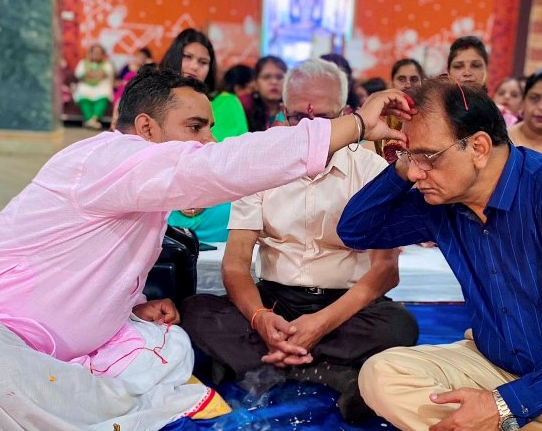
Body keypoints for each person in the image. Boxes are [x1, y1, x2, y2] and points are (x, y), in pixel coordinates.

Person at [0, 67, 413, 429]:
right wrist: (356, 125)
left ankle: (64, 405)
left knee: (172, 341)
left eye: (209, 129)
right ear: (146, 128)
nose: (208, 141)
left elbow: (85, 267)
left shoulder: (142, 188)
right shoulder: (102, 159)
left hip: (77, 349)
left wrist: (131, 305)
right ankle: (106, 407)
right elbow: (220, 174)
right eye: (196, 127)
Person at [335, 76, 542, 431]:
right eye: (408, 156)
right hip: (490, 363)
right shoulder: (440, 201)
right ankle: (495, 419)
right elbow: (356, 230)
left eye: (427, 156)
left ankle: (488, 419)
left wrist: (506, 403)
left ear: (478, 147)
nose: (415, 172)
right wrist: (402, 163)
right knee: (380, 374)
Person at [180, 58, 418, 423]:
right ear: (282, 113)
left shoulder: (372, 171)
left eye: (323, 119)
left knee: (400, 325)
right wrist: (260, 318)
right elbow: (236, 264)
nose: (311, 132)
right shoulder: (260, 165)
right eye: (298, 119)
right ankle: (327, 372)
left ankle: (266, 365)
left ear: (347, 114)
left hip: (344, 307)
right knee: (195, 311)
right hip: (275, 302)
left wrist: (321, 323)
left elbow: (385, 270)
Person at [160, 29, 249, 240]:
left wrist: (202, 193)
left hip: (215, 198)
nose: (194, 66)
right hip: (163, 197)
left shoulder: (227, 103)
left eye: (203, 62)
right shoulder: (154, 102)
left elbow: (236, 158)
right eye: (187, 57)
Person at [110, 48, 155, 132]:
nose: (139, 59)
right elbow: (118, 79)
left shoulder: (145, 69)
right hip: (122, 91)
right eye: (138, 56)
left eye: (142, 57)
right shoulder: (127, 66)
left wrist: (147, 65)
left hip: (134, 93)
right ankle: (113, 125)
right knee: (118, 104)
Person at [73, 43, 115, 130]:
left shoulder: (107, 64)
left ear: (102, 54)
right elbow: (78, 74)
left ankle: (92, 120)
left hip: (101, 88)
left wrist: (90, 73)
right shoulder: (83, 62)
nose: (96, 55)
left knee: (103, 98)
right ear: (90, 53)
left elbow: (105, 74)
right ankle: (92, 121)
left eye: (99, 53)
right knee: (83, 99)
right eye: (94, 52)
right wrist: (95, 73)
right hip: (86, 87)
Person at [243, 55, 288, 132]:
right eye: (266, 77)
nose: (274, 82)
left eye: (279, 77)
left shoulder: (293, 112)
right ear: (256, 83)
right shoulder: (244, 110)